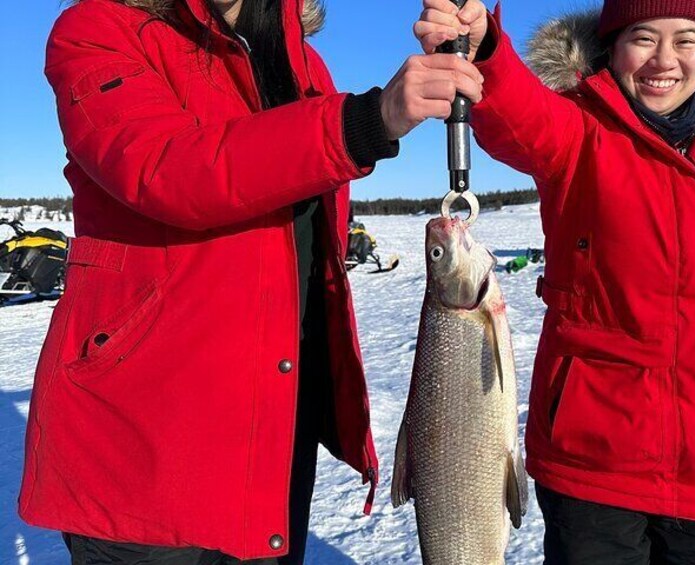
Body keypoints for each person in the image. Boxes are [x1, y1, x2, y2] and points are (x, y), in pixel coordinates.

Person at [18, 0, 483, 563]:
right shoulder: (98, 29)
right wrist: (364, 122)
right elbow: (166, 170)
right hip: (143, 447)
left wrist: (466, 62)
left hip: (274, 429)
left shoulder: (306, 67)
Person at [416, 0, 695, 563]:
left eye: (686, 40)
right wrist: (484, 51)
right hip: (592, 461)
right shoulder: (577, 129)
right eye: (643, 38)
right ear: (611, 47)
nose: (664, 59)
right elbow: (518, 118)